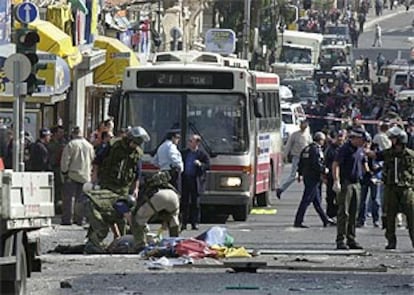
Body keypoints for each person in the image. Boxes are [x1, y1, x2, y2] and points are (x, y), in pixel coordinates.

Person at [83, 126, 150, 253]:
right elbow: (97, 161)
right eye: (135, 142)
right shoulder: (113, 146)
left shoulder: (137, 153)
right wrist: (94, 178)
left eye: (138, 144)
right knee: (104, 211)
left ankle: (120, 239)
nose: (135, 146)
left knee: (121, 214)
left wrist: (135, 188)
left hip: (123, 188)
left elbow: (137, 173)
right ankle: (94, 240)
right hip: (108, 185)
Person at [366, 126, 414, 249]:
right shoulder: (388, 153)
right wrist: (366, 150)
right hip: (391, 187)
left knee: (411, 216)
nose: (391, 141)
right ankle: (391, 241)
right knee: (389, 216)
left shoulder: (410, 155)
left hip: (406, 188)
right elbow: (375, 155)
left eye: (393, 139)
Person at [332, 127, 367, 250]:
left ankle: (351, 238)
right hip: (346, 183)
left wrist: (369, 175)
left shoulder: (360, 149)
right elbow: (336, 164)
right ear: (356, 138)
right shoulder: (345, 149)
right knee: (344, 213)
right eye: (362, 140)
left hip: (357, 183)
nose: (363, 143)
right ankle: (340, 240)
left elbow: (364, 163)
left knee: (354, 213)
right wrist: (336, 181)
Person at [294, 132, 335, 228]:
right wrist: (325, 170)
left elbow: (301, 163)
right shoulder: (316, 150)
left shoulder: (306, 149)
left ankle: (325, 220)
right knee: (306, 200)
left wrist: (300, 173)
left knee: (317, 201)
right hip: (313, 177)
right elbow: (316, 164)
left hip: (307, 176)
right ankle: (298, 221)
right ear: (320, 140)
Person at [132, 171, 181, 251]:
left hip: (157, 196)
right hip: (173, 196)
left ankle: (140, 245)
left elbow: (140, 202)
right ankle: (175, 243)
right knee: (173, 220)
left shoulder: (144, 185)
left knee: (139, 219)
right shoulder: (169, 185)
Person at [60, 127, 95, 226]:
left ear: (73, 134)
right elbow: (93, 159)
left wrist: (64, 171)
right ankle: (80, 219)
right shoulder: (89, 146)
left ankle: (67, 219)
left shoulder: (71, 145)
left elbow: (65, 160)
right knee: (82, 199)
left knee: (69, 198)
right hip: (85, 175)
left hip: (73, 174)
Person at [180, 134, 210, 231]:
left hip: (196, 181)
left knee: (195, 203)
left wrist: (200, 164)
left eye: (191, 141)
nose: (189, 143)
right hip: (185, 179)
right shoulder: (184, 153)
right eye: (189, 141)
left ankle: (195, 223)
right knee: (184, 202)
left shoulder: (202, 154)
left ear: (197, 143)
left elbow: (208, 165)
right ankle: (183, 223)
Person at [277, 120, 312, 199]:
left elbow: (311, 146)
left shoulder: (307, 135)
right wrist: (284, 156)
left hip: (306, 159)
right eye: (303, 124)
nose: (304, 126)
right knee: (293, 176)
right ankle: (281, 189)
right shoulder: (295, 135)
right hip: (296, 157)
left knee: (307, 176)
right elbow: (288, 145)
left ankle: (309, 194)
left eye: (305, 125)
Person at [324, 130, 345, 219]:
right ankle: (330, 215)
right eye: (338, 137)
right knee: (330, 196)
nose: (340, 139)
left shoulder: (344, 148)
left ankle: (338, 214)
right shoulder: (330, 149)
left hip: (342, 176)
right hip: (330, 176)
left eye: (342, 137)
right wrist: (324, 176)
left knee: (340, 198)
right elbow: (325, 163)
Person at [48, 125, 67, 214]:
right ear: (55, 133)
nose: (62, 134)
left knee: (60, 189)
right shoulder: (51, 144)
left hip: (61, 168)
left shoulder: (64, 142)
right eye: (60, 132)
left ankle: (59, 207)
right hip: (53, 167)